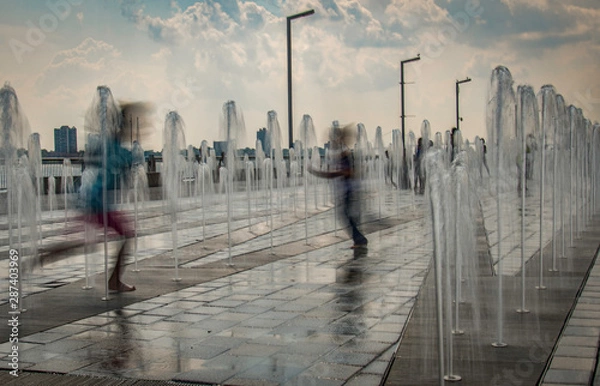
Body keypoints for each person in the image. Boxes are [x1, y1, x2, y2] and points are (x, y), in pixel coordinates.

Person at [308, 125, 368, 249]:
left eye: (333, 138)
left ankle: (360, 239)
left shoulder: (345, 153)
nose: (331, 141)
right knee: (348, 216)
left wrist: (321, 173)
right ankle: (359, 238)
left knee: (346, 215)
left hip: (349, 190)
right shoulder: (342, 152)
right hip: (348, 190)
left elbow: (348, 172)